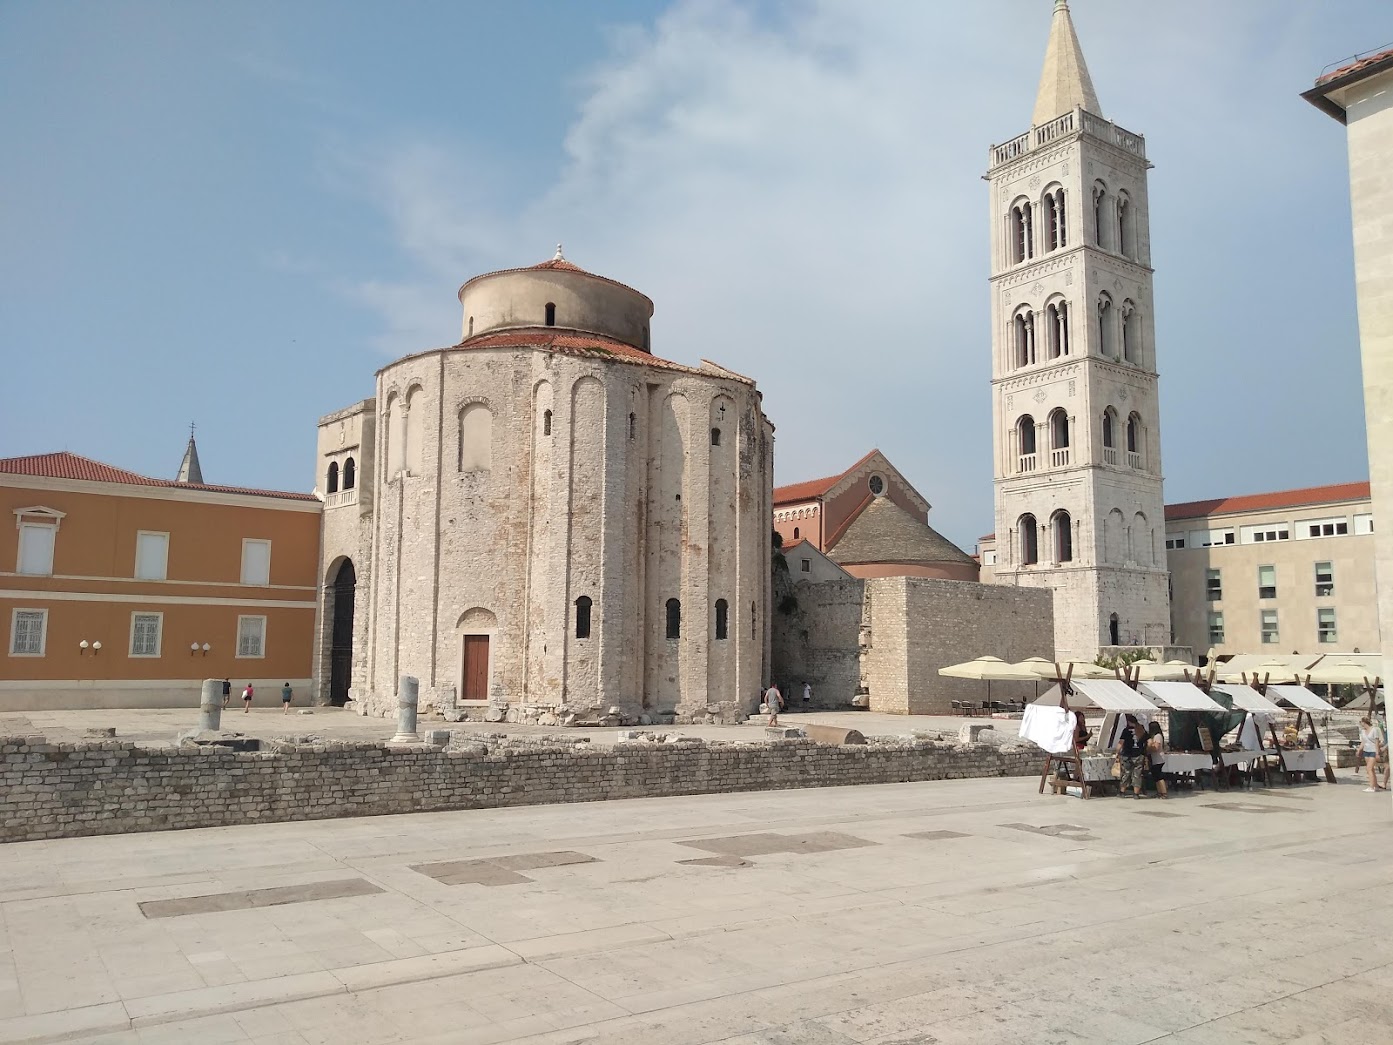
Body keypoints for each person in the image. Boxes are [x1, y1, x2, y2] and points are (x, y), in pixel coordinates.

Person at [1115, 713, 1148, 799]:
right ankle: (1136, 794)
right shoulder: (1142, 729)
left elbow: (1120, 744)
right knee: (1137, 774)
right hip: (1139, 755)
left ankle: (1122, 792)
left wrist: (1117, 752)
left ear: (1128, 722)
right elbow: (1148, 742)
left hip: (1127, 755)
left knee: (1126, 773)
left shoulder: (1126, 730)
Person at [1357, 716, 1385, 792]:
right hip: (1366, 751)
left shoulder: (1374, 730)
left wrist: (1377, 753)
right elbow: (1363, 742)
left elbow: (1376, 742)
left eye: (1361, 722)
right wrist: (1359, 750)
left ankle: (1371, 787)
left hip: (1373, 750)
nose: (1361, 724)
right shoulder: (1363, 731)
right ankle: (1375, 786)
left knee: (1369, 768)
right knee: (1371, 769)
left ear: (1364, 722)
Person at [1145, 721, 1169, 799]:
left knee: (1159, 776)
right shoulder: (1156, 736)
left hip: (1158, 759)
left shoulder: (1157, 736)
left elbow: (1156, 747)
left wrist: (1148, 748)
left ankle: (1164, 792)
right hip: (1155, 759)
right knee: (1156, 777)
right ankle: (1159, 792)